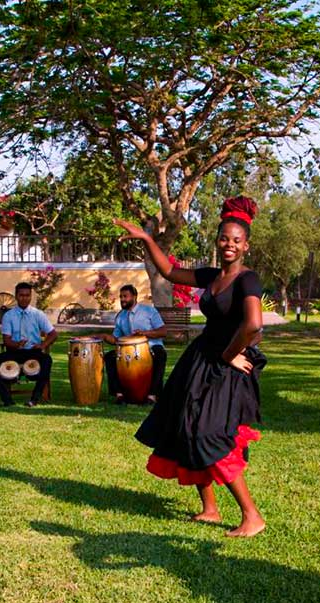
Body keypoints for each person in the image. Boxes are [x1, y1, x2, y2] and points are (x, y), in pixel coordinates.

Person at [114, 196, 267, 537]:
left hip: (228, 364)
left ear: (246, 246)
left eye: (236, 240)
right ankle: (210, 509)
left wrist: (229, 354)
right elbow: (169, 271)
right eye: (224, 238)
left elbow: (253, 324)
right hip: (200, 360)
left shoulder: (248, 280)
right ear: (218, 240)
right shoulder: (212, 276)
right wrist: (147, 239)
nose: (229, 244)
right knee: (184, 426)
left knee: (210, 434)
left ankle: (251, 516)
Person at [0, 282, 58, 407]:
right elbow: (6, 340)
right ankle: (7, 399)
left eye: (27, 295)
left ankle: (34, 399)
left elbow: (53, 334)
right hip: (14, 352)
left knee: (47, 360)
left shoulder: (38, 314)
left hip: (33, 352)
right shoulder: (9, 316)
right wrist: (17, 344)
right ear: (16, 296)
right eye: (21, 295)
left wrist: (42, 345)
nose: (24, 298)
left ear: (31, 296)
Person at [99, 284, 168, 404]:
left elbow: (163, 332)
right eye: (121, 297)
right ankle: (119, 395)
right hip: (129, 350)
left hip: (151, 346)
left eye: (125, 296)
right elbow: (116, 339)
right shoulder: (121, 316)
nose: (122, 299)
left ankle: (152, 395)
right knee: (110, 357)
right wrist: (105, 336)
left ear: (135, 297)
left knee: (160, 354)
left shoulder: (149, 311)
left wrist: (145, 333)